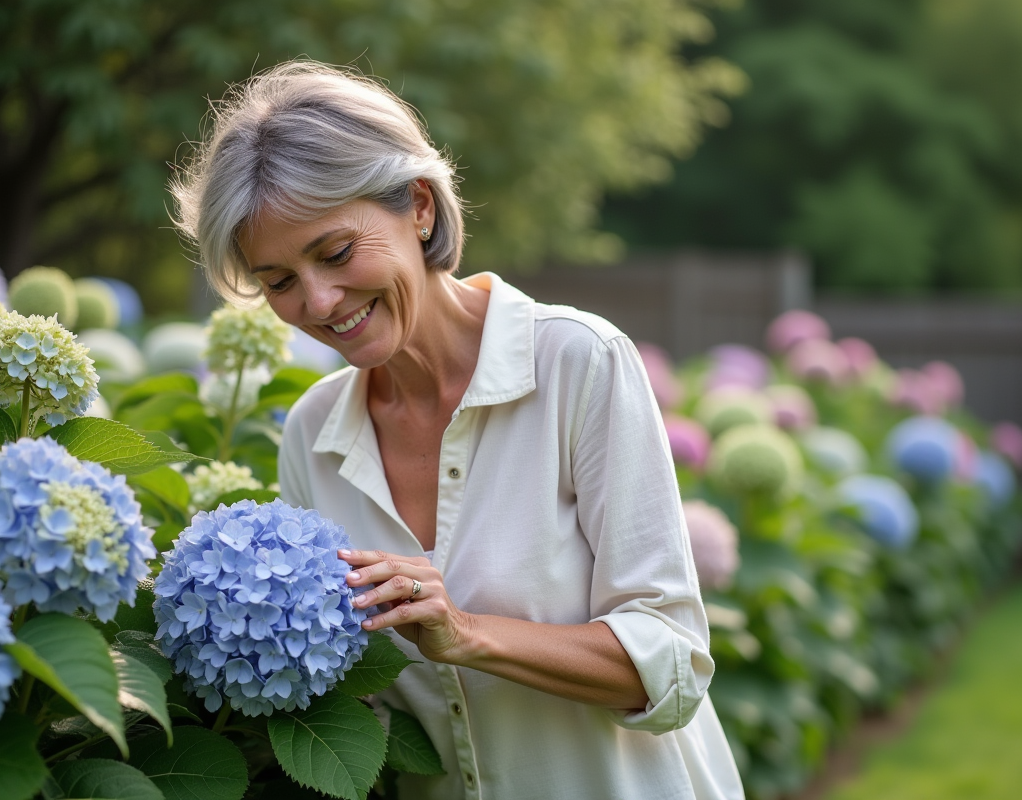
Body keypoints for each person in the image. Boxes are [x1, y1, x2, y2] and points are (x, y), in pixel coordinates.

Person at [172, 60, 745, 800]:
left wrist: (465, 633)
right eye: (278, 281)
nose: (317, 301)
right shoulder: (312, 431)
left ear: (418, 206)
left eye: (336, 252)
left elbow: (672, 664)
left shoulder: (578, 363)